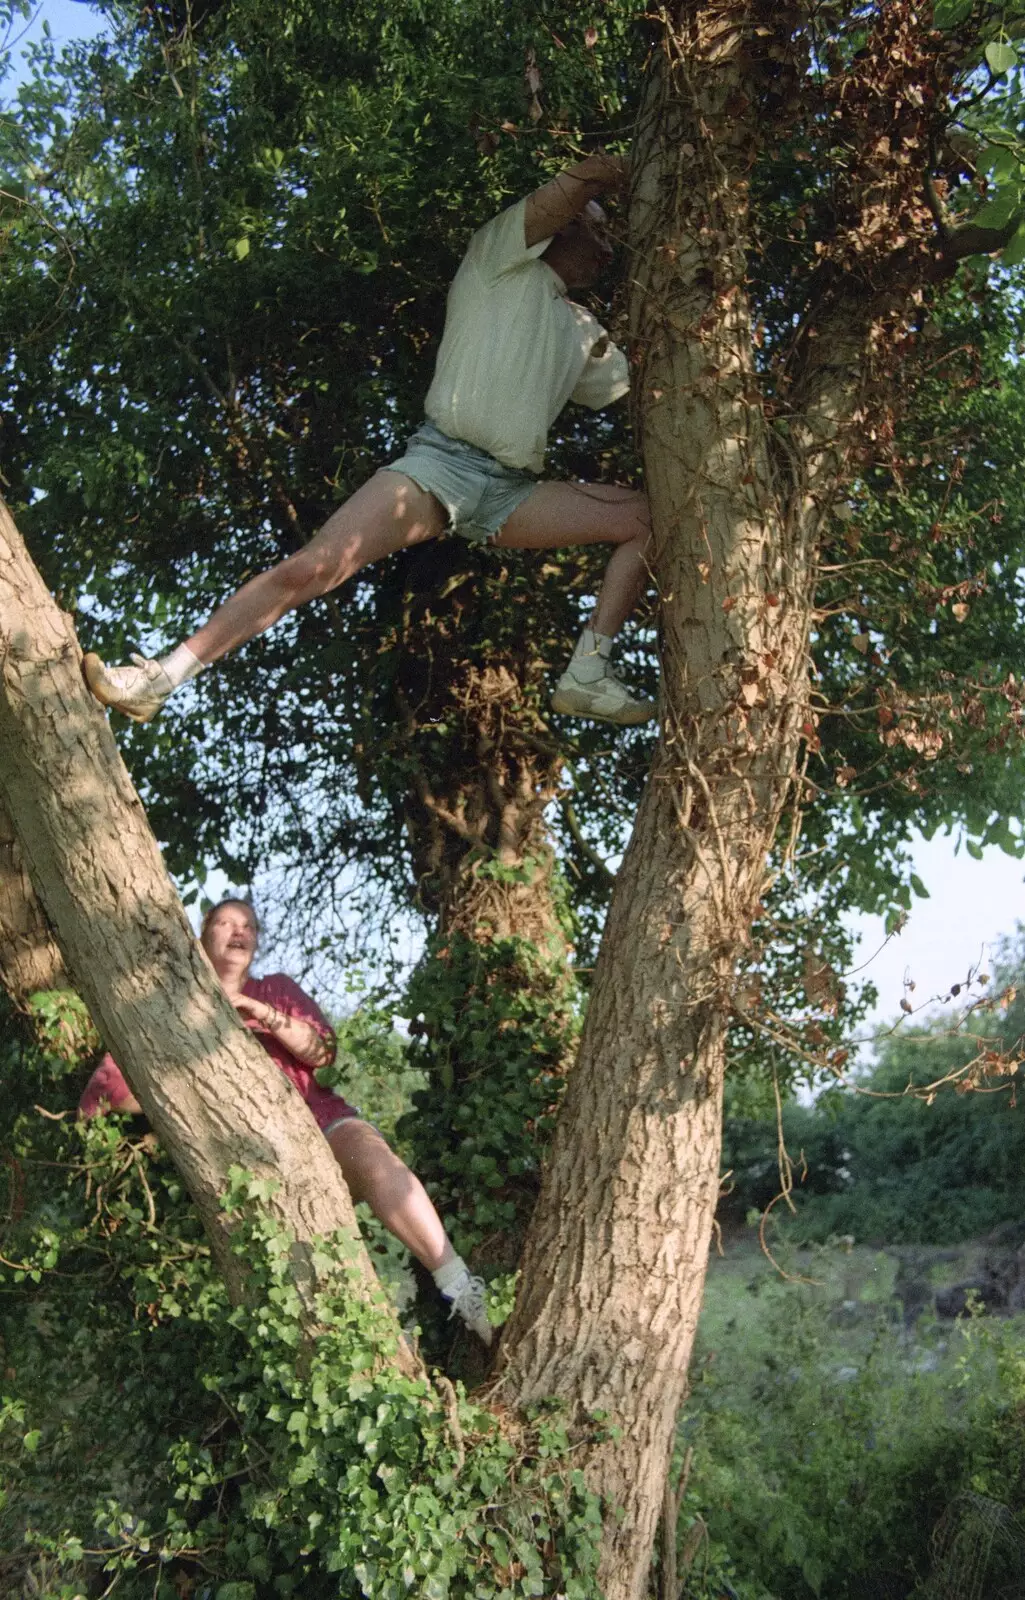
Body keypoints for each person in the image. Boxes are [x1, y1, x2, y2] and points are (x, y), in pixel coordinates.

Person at [83, 152, 654, 729]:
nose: (608, 251)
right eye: (597, 229)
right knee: (315, 567)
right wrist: (615, 168)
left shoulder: (584, 328)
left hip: (512, 494)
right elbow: (564, 192)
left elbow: (641, 388)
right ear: (565, 224)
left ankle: (587, 672)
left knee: (645, 518)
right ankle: (158, 678)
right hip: (440, 467)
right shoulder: (498, 259)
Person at [78, 898, 493, 1346]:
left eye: (249, 926)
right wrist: (181, 1082)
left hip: (318, 1118)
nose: (239, 932)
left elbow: (322, 1053)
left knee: (376, 1161)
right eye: (225, 922)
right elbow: (107, 1095)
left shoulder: (274, 989)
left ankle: (458, 1285)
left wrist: (262, 1014)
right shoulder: (166, 1011)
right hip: (247, 1155)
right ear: (200, 937)